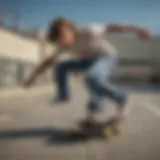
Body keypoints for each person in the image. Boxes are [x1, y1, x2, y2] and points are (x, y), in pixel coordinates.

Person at [24, 17, 153, 124]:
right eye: (60, 42)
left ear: (71, 29)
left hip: (106, 57)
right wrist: (33, 75)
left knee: (92, 77)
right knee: (60, 66)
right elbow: (49, 61)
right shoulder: (62, 46)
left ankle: (122, 99)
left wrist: (137, 29)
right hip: (88, 61)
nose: (65, 44)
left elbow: (111, 27)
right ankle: (66, 97)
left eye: (65, 38)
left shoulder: (89, 31)